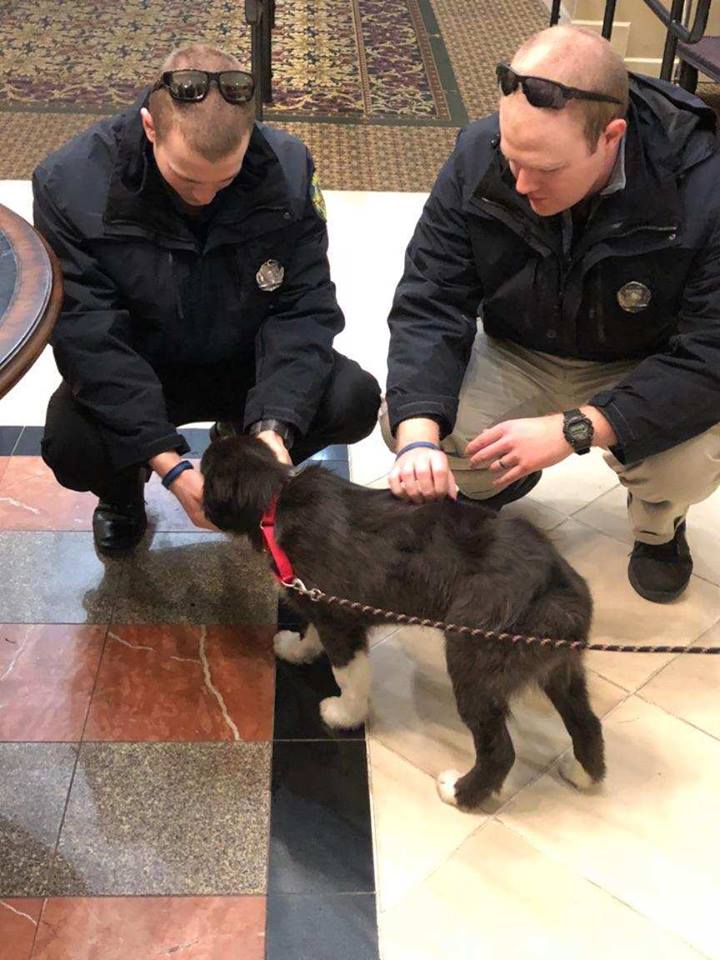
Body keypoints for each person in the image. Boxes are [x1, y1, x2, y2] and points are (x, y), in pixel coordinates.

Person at [383, 24, 720, 603]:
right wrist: (418, 436)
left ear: (610, 136)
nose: (520, 182)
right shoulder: (478, 152)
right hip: (520, 347)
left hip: (642, 360)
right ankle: (495, 483)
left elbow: (712, 353)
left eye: (545, 167)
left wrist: (578, 427)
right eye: (512, 157)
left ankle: (658, 526)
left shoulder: (705, 186)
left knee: (683, 463)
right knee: (410, 420)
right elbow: (431, 295)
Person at [34, 43, 380, 554]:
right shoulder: (70, 184)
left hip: (244, 359)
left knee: (353, 398)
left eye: (227, 179)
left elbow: (304, 308)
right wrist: (165, 460)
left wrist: (274, 426)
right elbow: (90, 337)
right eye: (189, 178)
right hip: (144, 361)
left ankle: (238, 438)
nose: (206, 196)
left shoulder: (286, 169)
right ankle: (123, 492)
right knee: (71, 443)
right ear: (151, 128)